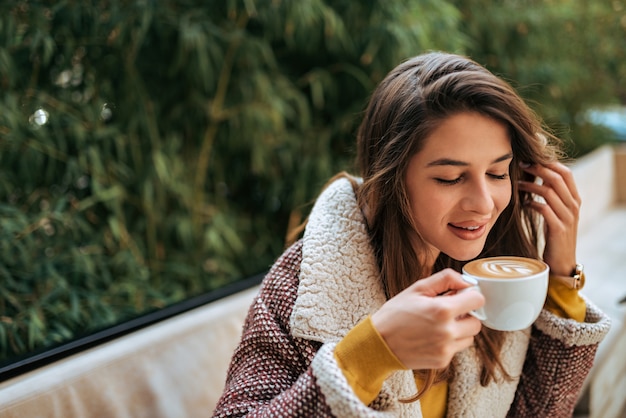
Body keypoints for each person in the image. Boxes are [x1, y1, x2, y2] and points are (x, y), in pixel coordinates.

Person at [212, 52, 611, 417]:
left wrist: (561, 274)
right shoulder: (305, 286)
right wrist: (370, 353)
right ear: (390, 180)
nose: (485, 203)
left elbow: (537, 412)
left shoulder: (495, 267)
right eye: (450, 178)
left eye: (496, 173)